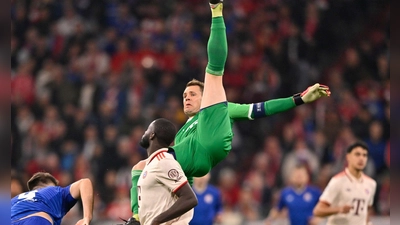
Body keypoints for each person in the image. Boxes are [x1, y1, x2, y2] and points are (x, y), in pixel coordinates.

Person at [129, 0, 331, 221]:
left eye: (193, 94)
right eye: (185, 95)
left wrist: (299, 99)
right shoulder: (181, 133)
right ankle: (136, 217)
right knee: (138, 168)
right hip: (198, 161)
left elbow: (263, 109)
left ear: (205, 97)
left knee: (214, 71)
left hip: (212, 136)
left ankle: (216, 10)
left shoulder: (222, 108)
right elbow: (184, 174)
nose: (187, 97)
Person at [137, 118, 198, 225]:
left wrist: (157, 220)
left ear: (152, 135)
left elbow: (189, 198)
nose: (144, 132)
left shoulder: (164, 161)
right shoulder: (154, 163)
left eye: (147, 129)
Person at [313, 142, 377, 225]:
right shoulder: (338, 181)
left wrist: (368, 222)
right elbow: (317, 211)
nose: (361, 158)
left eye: (364, 155)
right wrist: (339, 209)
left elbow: (365, 210)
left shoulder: (371, 184)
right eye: (357, 154)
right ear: (348, 157)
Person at [11, 172, 94, 225]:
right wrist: (87, 217)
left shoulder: (14, 200)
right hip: (36, 221)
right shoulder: (55, 191)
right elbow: (84, 183)